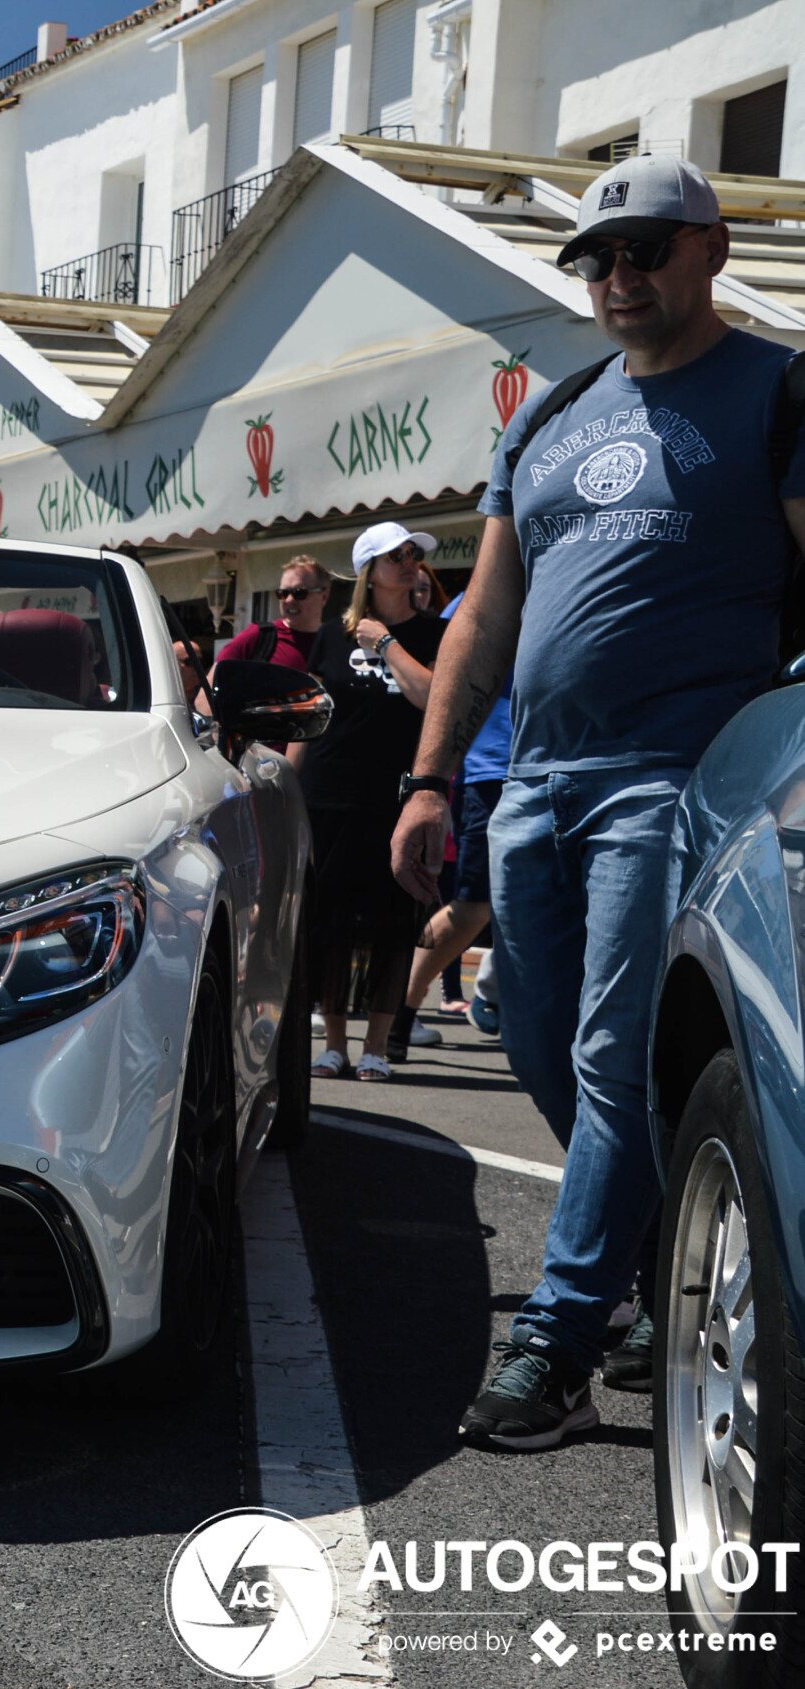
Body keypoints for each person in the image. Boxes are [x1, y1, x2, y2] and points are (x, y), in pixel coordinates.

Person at [391, 154, 805, 1451]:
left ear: (711, 248)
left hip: (678, 781)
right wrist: (430, 775)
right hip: (534, 787)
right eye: (597, 259)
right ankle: (654, 1269)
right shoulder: (554, 413)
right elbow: (485, 616)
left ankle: (556, 1344)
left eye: (645, 250)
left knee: (614, 1056)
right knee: (529, 1030)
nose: (619, 277)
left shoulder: (781, 391)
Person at [294, 521, 444, 1082]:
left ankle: (376, 1047)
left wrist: (384, 644)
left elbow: (432, 698)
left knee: (390, 921)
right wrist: (287, 783)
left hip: (398, 798)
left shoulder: (432, 633)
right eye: (395, 556)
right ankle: (334, 1043)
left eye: (413, 554)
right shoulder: (332, 636)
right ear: (368, 571)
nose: (409, 563)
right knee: (329, 922)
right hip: (329, 795)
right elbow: (311, 718)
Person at [387, 587, 509, 1063]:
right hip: (490, 772)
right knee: (473, 907)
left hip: (551, 763)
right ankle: (398, 1009)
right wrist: (430, 780)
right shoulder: (478, 600)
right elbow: (442, 686)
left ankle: (495, 1000)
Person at [216, 556, 328, 672]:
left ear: (324, 597)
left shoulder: (335, 643)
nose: (289, 600)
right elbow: (211, 684)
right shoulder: (257, 637)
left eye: (299, 593)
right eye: (283, 593)